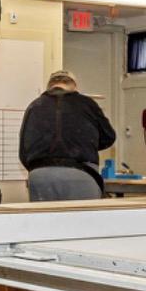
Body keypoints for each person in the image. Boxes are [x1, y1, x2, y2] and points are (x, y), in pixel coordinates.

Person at [20, 70, 116, 200]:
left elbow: (23, 152)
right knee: (82, 220)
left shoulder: (34, 106)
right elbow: (109, 136)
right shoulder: (87, 103)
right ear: (75, 87)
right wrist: (85, 144)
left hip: (40, 177)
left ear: (49, 87)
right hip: (82, 175)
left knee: (45, 219)